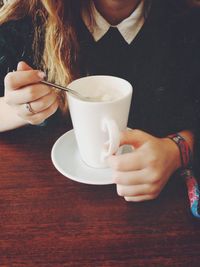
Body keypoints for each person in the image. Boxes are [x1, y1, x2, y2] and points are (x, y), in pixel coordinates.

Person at [0, 0, 199, 205]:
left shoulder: (190, 21)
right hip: (47, 203)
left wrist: (176, 151)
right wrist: (19, 107)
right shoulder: (28, 17)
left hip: (159, 208)